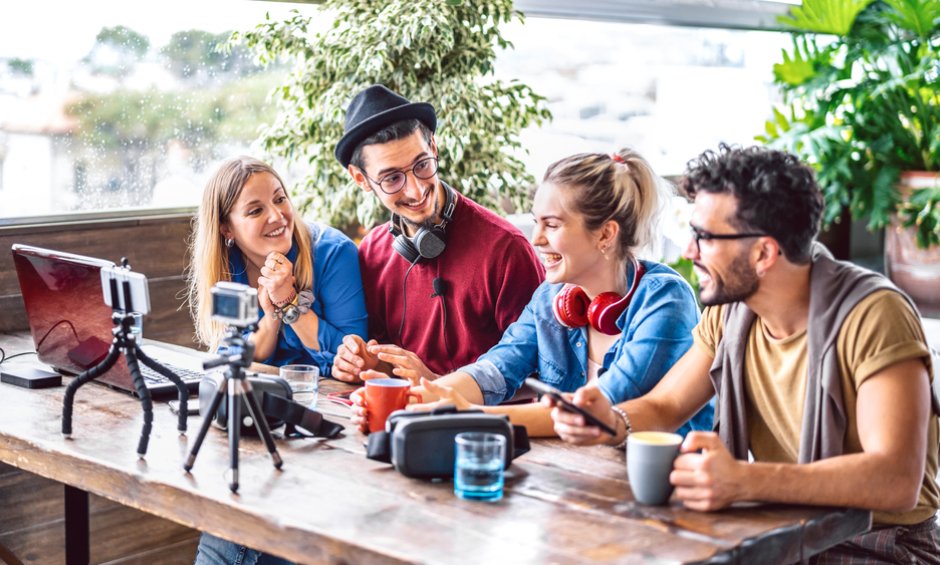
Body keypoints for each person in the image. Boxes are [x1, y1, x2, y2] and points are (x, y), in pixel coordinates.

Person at [550, 145, 940, 562]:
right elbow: (665, 405)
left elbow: (896, 478)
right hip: (782, 531)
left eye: (705, 237)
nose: (689, 251)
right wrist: (612, 420)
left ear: (764, 253)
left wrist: (744, 480)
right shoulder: (733, 314)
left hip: (883, 545)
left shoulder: (875, 314)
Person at [351, 149, 713, 437]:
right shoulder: (552, 297)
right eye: (535, 221)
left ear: (605, 234)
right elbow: (497, 368)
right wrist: (413, 400)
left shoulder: (665, 301)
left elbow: (595, 411)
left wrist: (466, 415)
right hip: (575, 487)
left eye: (552, 225)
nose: (536, 239)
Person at [186, 156, 368, 565]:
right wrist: (270, 317)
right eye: (255, 210)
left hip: (325, 431)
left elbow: (350, 356)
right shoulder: (227, 267)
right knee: (231, 512)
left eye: (280, 199)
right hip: (259, 422)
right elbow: (233, 357)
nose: (277, 216)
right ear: (226, 228)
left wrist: (289, 302)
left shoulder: (331, 252)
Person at [330, 84, 544, 384]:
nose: (416, 190)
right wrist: (363, 364)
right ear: (360, 179)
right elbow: (387, 368)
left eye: (422, 165)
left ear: (434, 148)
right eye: (392, 178)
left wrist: (437, 384)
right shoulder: (371, 252)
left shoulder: (506, 250)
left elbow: (538, 377)